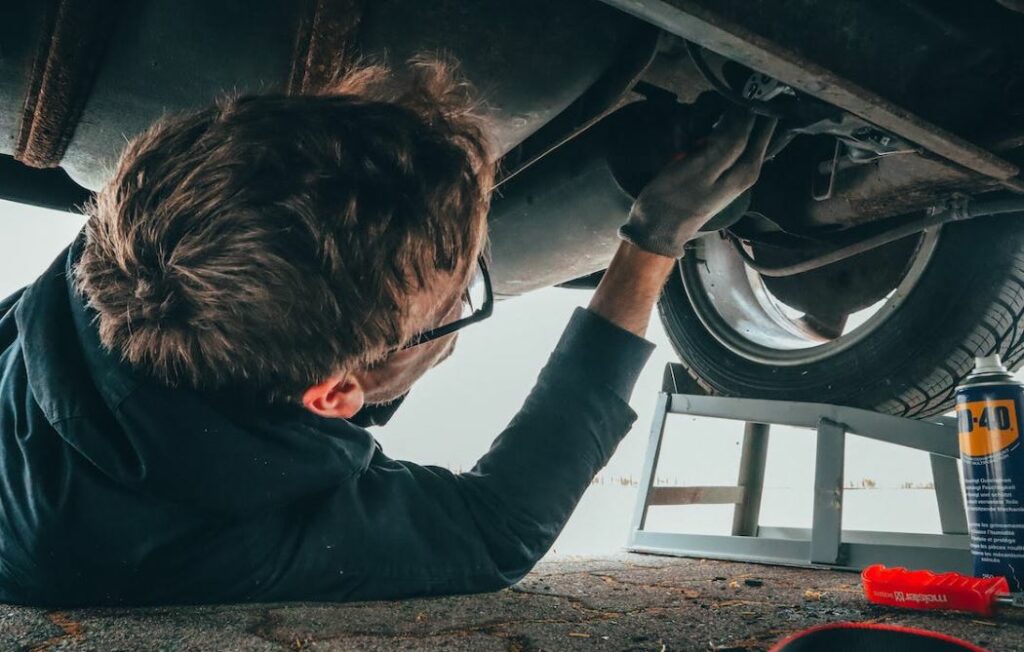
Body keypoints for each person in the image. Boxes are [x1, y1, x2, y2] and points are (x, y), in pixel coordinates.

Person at [0, 61, 775, 606]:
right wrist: (651, 242)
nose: (457, 324)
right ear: (335, 393)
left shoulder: (144, 240)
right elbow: (497, 529)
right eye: (458, 302)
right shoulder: (197, 539)